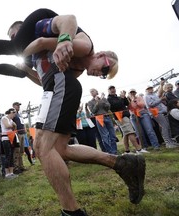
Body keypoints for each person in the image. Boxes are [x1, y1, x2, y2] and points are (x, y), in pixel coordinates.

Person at [16, 15, 144, 216]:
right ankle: (121, 163)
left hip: (61, 90)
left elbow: (50, 41)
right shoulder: (79, 49)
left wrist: (18, 54)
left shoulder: (81, 52)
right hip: (55, 90)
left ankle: (72, 211)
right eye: (104, 69)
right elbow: (44, 73)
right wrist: (25, 66)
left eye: (104, 75)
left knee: (42, 147)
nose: (100, 74)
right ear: (101, 55)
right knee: (60, 149)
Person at [107, 86, 148, 154]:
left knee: (126, 134)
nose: (112, 90)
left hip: (124, 116)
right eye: (110, 89)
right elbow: (116, 105)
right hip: (121, 117)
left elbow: (126, 103)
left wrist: (124, 97)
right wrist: (122, 98)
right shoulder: (109, 99)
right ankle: (138, 149)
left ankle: (127, 151)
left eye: (113, 88)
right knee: (130, 132)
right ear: (108, 91)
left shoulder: (118, 97)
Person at [87, 88, 118, 155]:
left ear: (97, 92)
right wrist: (97, 102)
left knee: (112, 135)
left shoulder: (103, 99)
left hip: (107, 117)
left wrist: (102, 101)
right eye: (91, 92)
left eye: (93, 91)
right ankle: (110, 152)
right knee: (105, 136)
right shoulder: (90, 102)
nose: (92, 92)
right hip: (99, 118)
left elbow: (108, 107)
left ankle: (115, 151)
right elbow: (93, 111)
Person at [1, 108, 17, 179]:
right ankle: (7, 173)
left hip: (11, 138)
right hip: (5, 139)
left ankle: (11, 172)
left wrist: (13, 125)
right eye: (14, 113)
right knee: (8, 155)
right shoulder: (4, 118)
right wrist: (13, 125)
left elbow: (14, 128)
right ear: (10, 112)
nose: (14, 115)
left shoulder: (11, 120)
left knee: (11, 155)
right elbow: (7, 126)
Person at [12, 102, 27, 174]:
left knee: (21, 151)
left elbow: (22, 123)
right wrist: (15, 132)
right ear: (13, 106)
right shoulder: (13, 114)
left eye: (19, 105)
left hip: (22, 133)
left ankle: (21, 166)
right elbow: (11, 123)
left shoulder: (19, 114)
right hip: (17, 134)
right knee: (17, 151)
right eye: (17, 105)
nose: (18, 106)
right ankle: (16, 167)